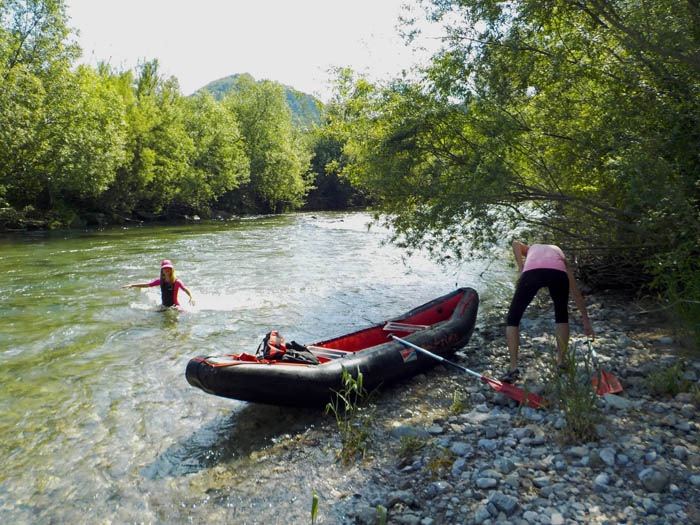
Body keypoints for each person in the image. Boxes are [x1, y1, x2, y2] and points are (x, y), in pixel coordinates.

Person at [501, 241, 594, 383]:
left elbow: (515, 244)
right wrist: (586, 322)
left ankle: (513, 368)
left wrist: (522, 268)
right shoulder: (560, 256)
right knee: (562, 314)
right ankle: (561, 363)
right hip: (558, 273)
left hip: (532, 273)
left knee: (513, 318)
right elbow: (575, 293)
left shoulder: (532, 248)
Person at [122, 260, 194, 308]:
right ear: (162, 270)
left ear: (172, 270)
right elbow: (147, 285)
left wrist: (191, 298)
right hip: (164, 306)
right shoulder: (160, 281)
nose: (167, 269)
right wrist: (132, 285)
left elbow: (185, 289)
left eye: (169, 268)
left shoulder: (177, 282)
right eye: (165, 268)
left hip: (175, 307)